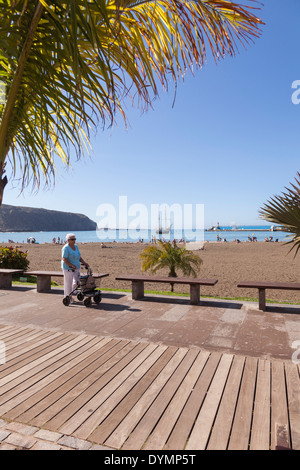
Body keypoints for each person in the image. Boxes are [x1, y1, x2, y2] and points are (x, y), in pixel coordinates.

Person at [61, 233, 89, 301]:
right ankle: (68, 297)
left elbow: (79, 257)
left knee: (77, 282)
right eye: (72, 239)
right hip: (68, 268)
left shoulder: (76, 246)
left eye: (75, 239)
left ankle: (72, 292)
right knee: (68, 284)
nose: (74, 240)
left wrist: (84, 263)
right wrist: (71, 265)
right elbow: (64, 259)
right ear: (68, 240)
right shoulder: (66, 248)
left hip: (76, 267)